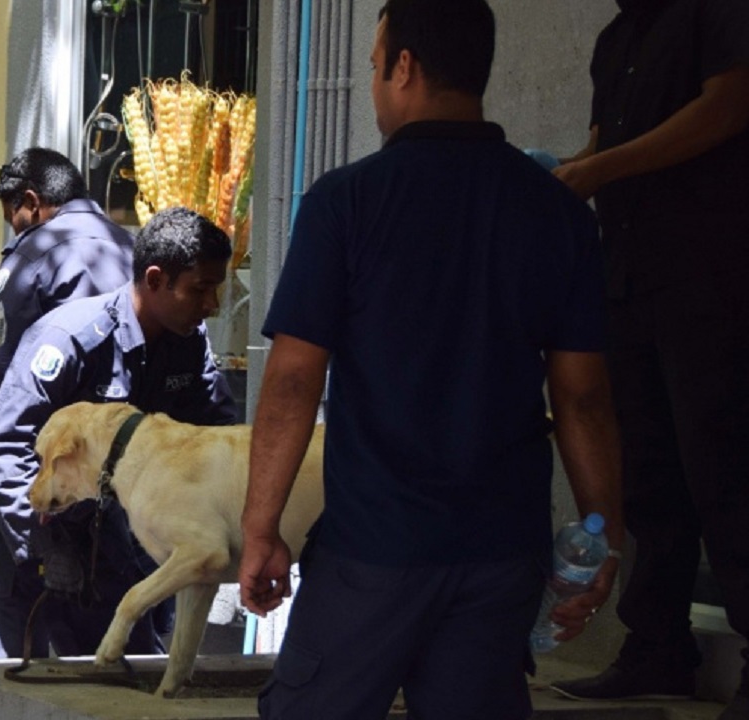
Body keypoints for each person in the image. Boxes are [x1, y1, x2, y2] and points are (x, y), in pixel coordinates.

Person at [237, 2, 624, 718]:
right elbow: (583, 397)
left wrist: (262, 530)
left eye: (376, 63)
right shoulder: (556, 212)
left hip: (373, 549)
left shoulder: (345, 204)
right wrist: (601, 534)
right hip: (501, 552)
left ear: (405, 67)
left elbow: (293, 379)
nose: (378, 79)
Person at [546, 1, 749, 716]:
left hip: (713, 278)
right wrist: (573, 170)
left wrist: (601, 168)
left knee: (724, 469)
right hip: (628, 275)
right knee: (648, 479)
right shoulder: (616, 38)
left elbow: (728, 105)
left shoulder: (717, 13)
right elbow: (605, 139)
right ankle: (656, 647)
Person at [0, 206, 238, 659]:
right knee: (10, 690)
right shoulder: (71, 339)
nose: (212, 305)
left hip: (114, 548)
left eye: (216, 289)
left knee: (118, 684)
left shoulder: (188, 347)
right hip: (34, 539)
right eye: (201, 289)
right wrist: (43, 543)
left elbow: (218, 437)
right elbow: (4, 446)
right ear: (155, 280)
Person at [0, 148, 134, 658]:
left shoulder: (32, 254)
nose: (15, 230)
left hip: (27, 465)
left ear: (30, 202)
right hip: (107, 475)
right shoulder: (134, 248)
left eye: (14, 218)